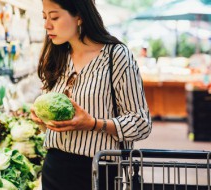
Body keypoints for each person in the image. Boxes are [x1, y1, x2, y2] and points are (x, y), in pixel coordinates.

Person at [30, 0, 152, 189]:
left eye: (54, 17)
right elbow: (53, 128)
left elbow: (141, 123)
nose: (47, 25)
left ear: (79, 16)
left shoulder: (116, 57)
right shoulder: (56, 56)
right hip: (54, 168)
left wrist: (94, 124)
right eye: (45, 17)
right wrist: (43, 122)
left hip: (99, 170)